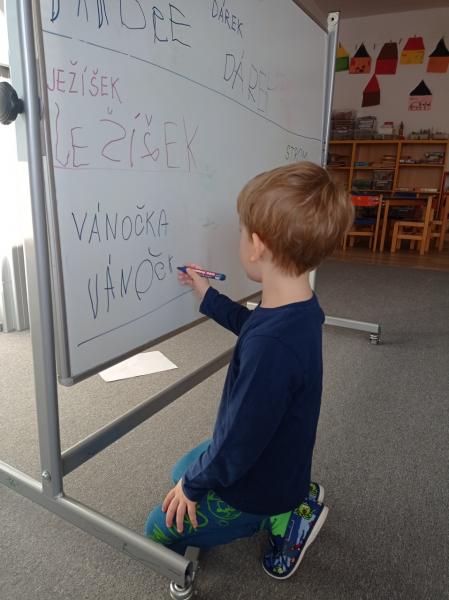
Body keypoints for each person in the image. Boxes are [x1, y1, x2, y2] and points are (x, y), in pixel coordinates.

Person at [145, 161, 353, 579]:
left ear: (257, 246)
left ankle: (282, 516)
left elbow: (238, 443)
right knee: (181, 471)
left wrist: (193, 487)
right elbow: (253, 325)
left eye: (241, 233)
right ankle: (293, 496)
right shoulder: (297, 308)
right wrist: (208, 296)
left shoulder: (271, 348)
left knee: (159, 526)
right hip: (281, 460)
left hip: (257, 485)